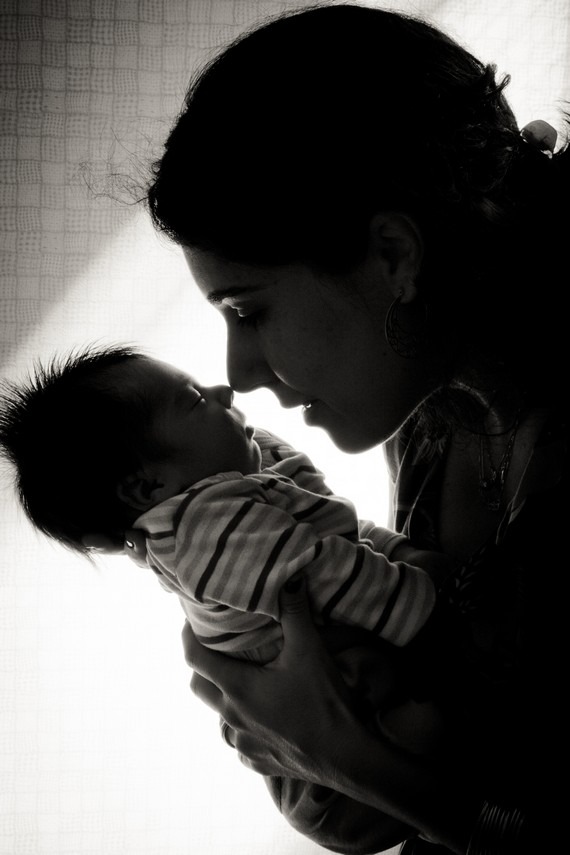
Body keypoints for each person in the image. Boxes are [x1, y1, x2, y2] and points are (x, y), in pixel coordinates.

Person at [132, 3, 568, 853]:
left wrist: (349, 761)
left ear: (394, 256)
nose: (241, 371)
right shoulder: (433, 415)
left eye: (248, 310)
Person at [0, 343, 460, 758]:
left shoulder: (234, 480)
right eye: (196, 400)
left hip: (338, 670)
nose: (224, 390)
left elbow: (332, 529)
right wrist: (433, 614)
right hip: (334, 738)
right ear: (150, 485)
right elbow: (328, 569)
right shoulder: (204, 530)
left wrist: (398, 550)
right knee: (429, 727)